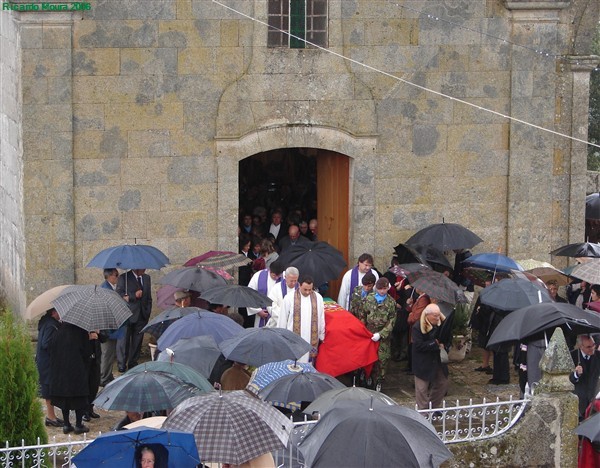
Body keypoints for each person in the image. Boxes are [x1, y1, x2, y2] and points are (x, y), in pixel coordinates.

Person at [49, 322, 91, 434]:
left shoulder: (57, 332)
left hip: (61, 370)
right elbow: (87, 352)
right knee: (79, 396)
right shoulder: (81, 332)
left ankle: (67, 424)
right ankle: (78, 425)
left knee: (65, 398)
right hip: (77, 369)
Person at [362, 277, 397, 391]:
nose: (382, 291)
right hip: (369, 333)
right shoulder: (369, 298)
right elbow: (363, 315)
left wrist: (381, 334)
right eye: (380, 288)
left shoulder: (391, 302)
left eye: (384, 289)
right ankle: (368, 377)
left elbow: (392, 321)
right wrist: (364, 331)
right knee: (368, 357)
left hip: (383, 336)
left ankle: (379, 381)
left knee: (382, 359)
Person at [412, 302, 448, 410]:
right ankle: (422, 410)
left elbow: (447, 338)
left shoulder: (442, 323)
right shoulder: (418, 327)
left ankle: (434, 407)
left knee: (442, 383)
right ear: (427, 315)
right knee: (422, 388)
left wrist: (445, 345)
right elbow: (418, 345)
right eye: (435, 315)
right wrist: (434, 343)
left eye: (438, 315)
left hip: (437, 360)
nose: (437, 318)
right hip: (422, 361)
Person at [116, 268, 152, 372]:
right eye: (142, 267)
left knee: (137, 341)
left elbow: (148, 297)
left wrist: (147, 311)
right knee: (124, 340)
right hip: (128, 314)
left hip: (142, 315)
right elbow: (119, 294)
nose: (144, 269)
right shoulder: (124, 278)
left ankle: (133, 363)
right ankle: (122, 364)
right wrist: (133, 296)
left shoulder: (146, 278)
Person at [284, 276, 325, 364]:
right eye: (305, 289)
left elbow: (321, 317)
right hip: (294, 338)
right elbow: (283, 318)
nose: (307, 292)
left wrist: (322, 334)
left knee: (308, 364)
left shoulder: (318, 298)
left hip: (312, 338)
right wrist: (282, 337)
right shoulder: (289, 298)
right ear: (299, 285)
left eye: (310, 290)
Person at [36, 308, 63, 427]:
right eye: (59, 312)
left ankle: (52, 416)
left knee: (49, 388)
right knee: (48, 389)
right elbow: (46, 344)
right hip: (47, 362)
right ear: (53, 313)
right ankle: (50, 417)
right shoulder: (51, 325)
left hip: (45, 361)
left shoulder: (47, 323)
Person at [99, 268, 123, 387]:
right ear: (109, 276)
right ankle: (104, 378)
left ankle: (108, 375)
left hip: (112, 327)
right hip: (107, 328)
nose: (117, 277)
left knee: (110, 353)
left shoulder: (111, 287)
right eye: (116, 275)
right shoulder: (105, 288)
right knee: (107, 353)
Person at [569, 334, 600, 420]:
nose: (592, 348)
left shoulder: (598, 355)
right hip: (579, 402)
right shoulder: (572, 356)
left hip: (594, 402)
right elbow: (568, 380)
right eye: (589, 347)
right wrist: (576, 374)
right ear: (581, 346)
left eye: (594, 345)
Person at [247, 261, 284, 327]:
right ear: (269, 270)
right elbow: (249, 294)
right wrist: (258, 310)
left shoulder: (284, 278)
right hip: (262, 313)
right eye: (274, 275)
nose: (276, 278)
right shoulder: (258, 276)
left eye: (278, 276)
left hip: (277, 316)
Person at [405, 288, 431, 374]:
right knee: (411, 347)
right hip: (413, 328)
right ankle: (410, 367)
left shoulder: (424, 299)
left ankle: (413, 368)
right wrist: (410, 304)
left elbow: (416, 315)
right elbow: (412, 310)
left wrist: (410, 317)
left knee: (414, 347)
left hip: (417, 328)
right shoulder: (420, 298)